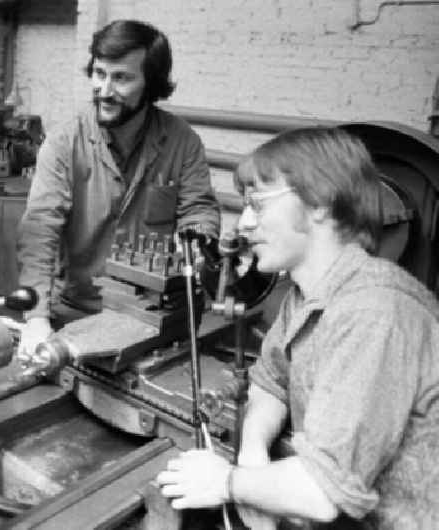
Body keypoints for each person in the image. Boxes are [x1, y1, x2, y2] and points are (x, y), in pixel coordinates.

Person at [155, 127, 439, 529]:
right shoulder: (306, 294)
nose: (245, 224)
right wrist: (253, 454)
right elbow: (271, 380)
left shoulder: (374, 310)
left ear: (319, 203)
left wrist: (228, 482)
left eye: (257, 204)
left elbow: (322, 494)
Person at [16, 19, 220, 356]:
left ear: (151, 83)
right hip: (75, 314)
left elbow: (198, 210)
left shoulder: (182, 141)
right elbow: (39, 231)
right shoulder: (65, 142)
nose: (105, 90)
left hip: (152, 318)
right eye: (99, 73)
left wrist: (199, 243)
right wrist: (37, 318)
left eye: (122, 78)